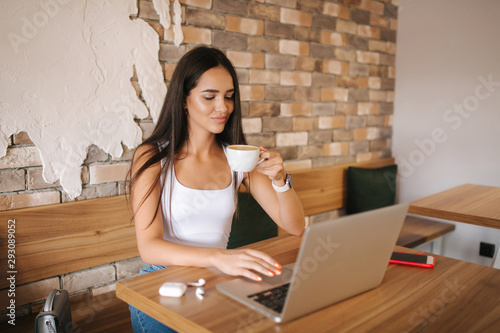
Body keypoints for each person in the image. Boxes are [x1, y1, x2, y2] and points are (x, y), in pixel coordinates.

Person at [127, 46, 305, 332]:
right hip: (163, 282)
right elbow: (149, 247)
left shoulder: (238, 158)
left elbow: (295, 226)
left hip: (217, 279)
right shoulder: (152, 158)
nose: (223, 107)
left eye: (229, 96)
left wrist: (280, 180)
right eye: (209, 97)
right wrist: (221, 257)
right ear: (184, 100)